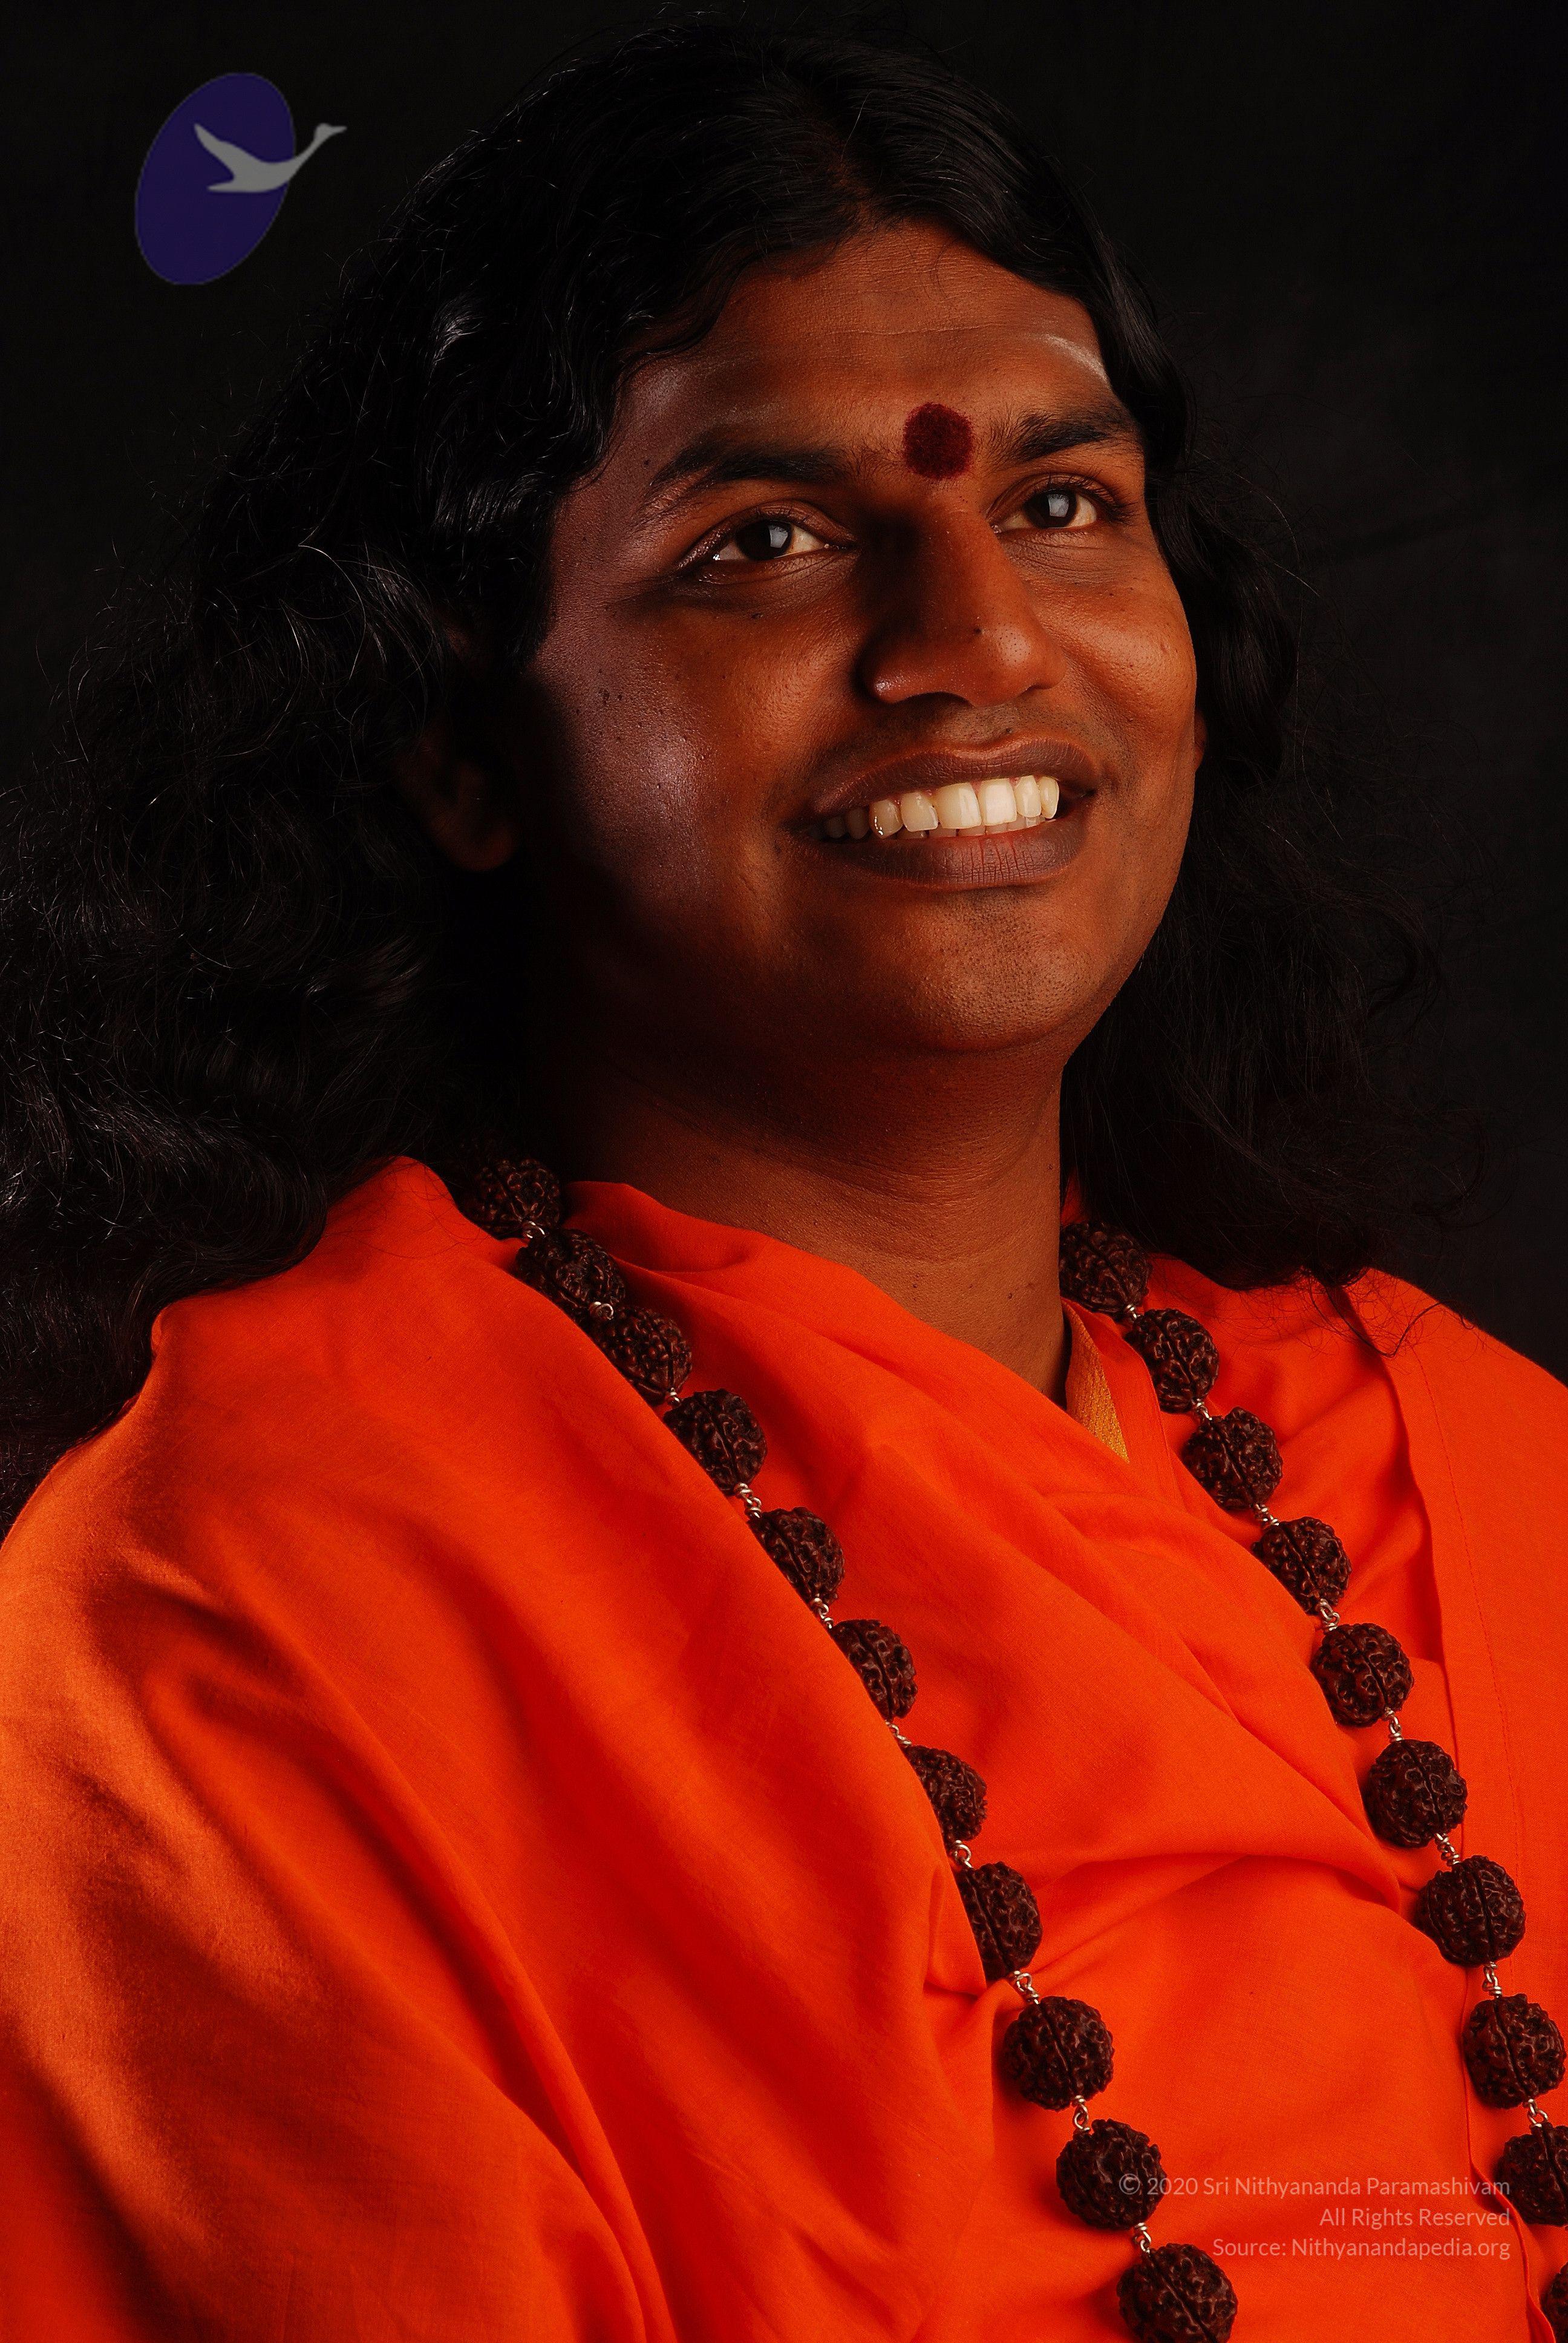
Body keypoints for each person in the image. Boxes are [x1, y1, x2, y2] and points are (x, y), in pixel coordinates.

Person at [1, 20, 1564, 2341]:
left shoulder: (1465, 1471)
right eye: (766, 543)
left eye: (1062, 503)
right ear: (459, 745)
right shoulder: (240, 1637)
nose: (980, 639)